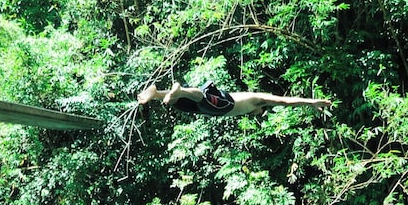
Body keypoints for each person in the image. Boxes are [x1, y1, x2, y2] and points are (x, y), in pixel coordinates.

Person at [138, 82, 331, 117]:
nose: (256, 115)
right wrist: (310, 102)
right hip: (225, 106)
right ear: (260, 108)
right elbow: (283, 101)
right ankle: (179, 90)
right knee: (200, 96)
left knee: (175, 104)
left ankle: (155, 94)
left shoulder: (249, 101)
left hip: (215, 109)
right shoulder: (258, 101)